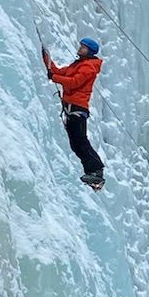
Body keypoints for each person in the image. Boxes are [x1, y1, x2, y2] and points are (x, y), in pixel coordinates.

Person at [42, 36, 105, 189]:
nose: (80, 48)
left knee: (80, 141)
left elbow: (74, 82)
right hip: (72, 108)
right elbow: (58, 72)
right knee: (76, 143)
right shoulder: (78, 65)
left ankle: (97, 170)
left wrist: (54, 77)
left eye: (83, 47)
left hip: (78, 108)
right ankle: (91, 172)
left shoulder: (88, 67)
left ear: (89, 51)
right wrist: (45, 57)